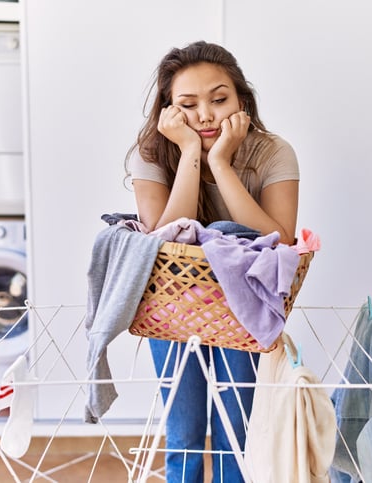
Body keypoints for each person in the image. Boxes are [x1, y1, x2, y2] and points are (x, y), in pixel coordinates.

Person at [126, 40, 300, 482]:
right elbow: (164, 241)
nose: (205, 115)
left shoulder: (272, 152)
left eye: (219, 100)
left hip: (240, 308)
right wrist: (187, 153)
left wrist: (221, 163)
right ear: (169, 111)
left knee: (235, 430)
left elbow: (278, 239)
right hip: (170, 302)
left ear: (242, 99)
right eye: (188, 104)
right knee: (182, 431)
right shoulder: (151, 153)